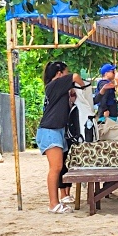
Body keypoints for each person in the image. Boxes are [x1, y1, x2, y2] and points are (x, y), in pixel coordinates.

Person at [37, 60, 79, 214]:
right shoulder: (55, 85)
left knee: (57, 167)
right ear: (59, 74)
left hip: (56, 130)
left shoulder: (56, 89)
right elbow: (75, 77)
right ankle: (53, 203)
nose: (67, 75)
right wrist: (84, 86)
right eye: (65, 72)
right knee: (55, 168)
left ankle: (56, 202)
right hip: (50, 130)